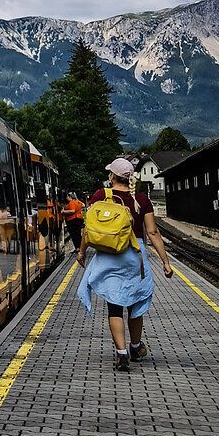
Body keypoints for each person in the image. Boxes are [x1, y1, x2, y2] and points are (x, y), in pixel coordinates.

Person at [76, 157, 173, 371]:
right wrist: (165, 262)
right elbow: (153, 232)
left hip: (108, 256)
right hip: (134, 255)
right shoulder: (141, 199)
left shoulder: (101, 196)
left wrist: (82, 252)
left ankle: (121, 353)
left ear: (112, 176)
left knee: (114, 307)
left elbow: (88, 228)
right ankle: (136, 346)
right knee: (135, 305)